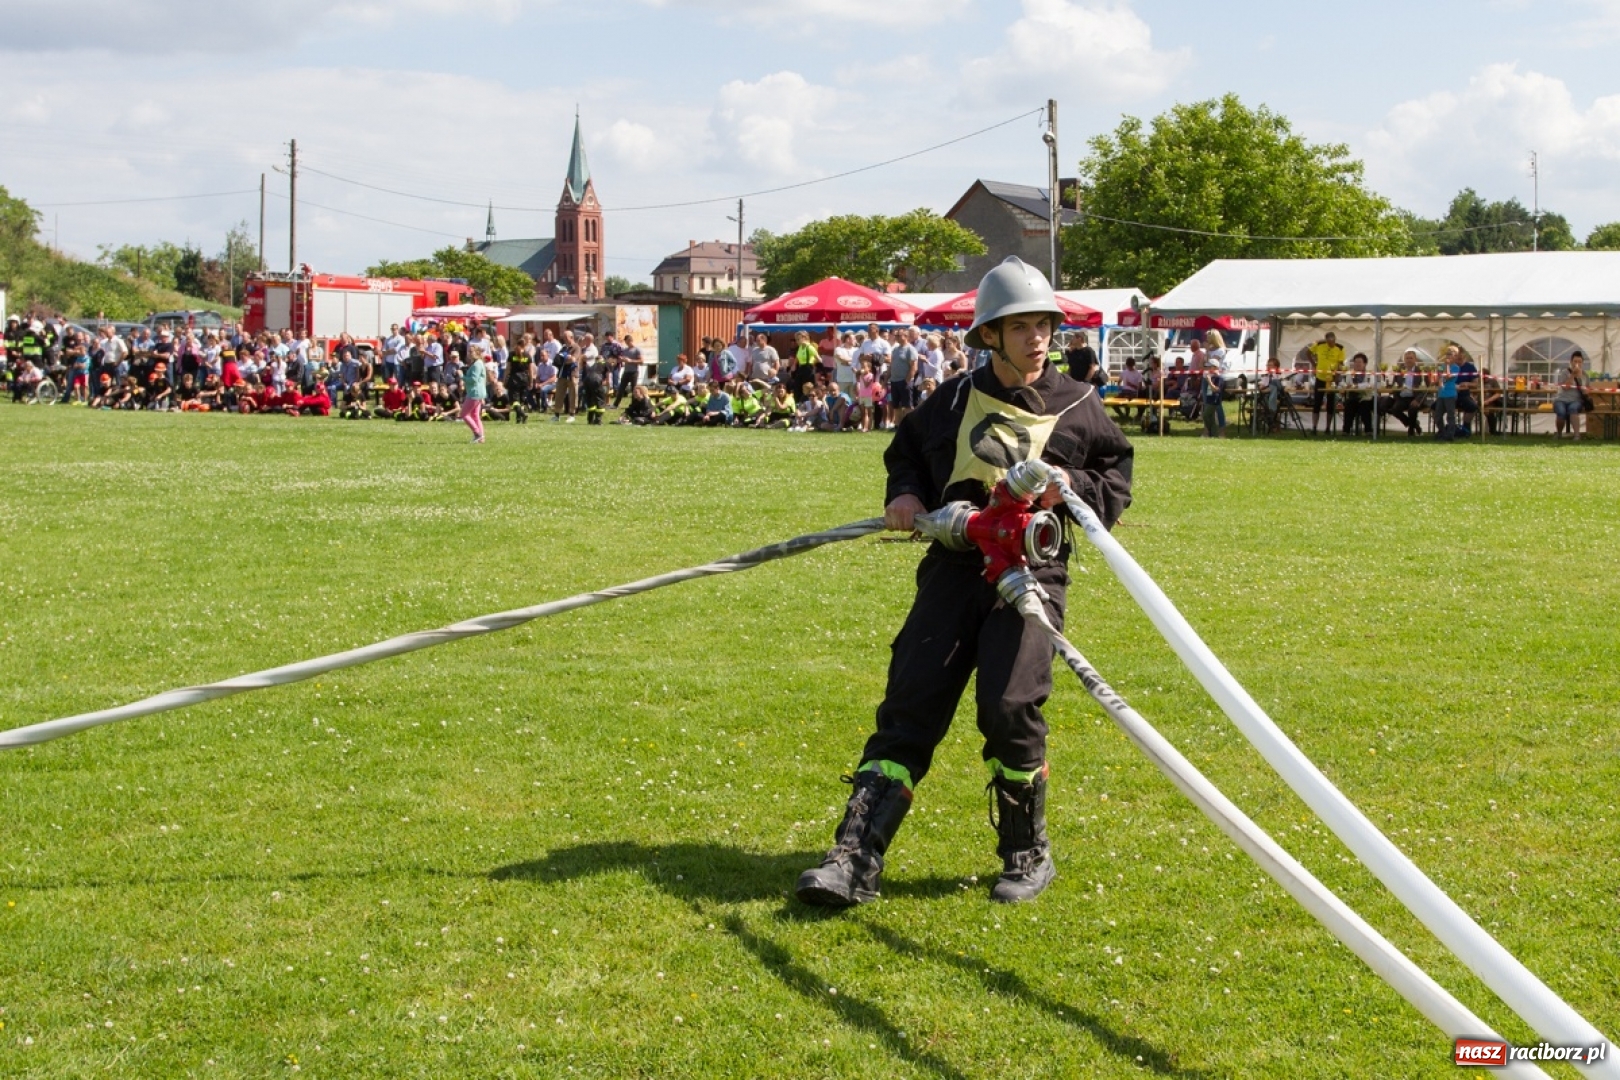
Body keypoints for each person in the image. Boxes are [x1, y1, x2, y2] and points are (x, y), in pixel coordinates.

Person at [795, 257, 1134, 909]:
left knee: (1009, 706)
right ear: (990, 335)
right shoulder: (951, 398)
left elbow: (1115, 474)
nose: (1037, 338)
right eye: (1021, 327)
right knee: (910, 703)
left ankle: (1025, 853)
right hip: (953, 572)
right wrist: (906, 496)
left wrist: (1067, 494)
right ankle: (854, 858)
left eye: (1044, 326)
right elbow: (907, 453)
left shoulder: (1082, 407)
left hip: (1030, 574)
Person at [1309, 331, 1345, 434]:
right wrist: (1314, 363)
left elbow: (1340, 363)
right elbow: (1308, 352)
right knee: (1317, 403)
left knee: (1330, 404)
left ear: (1335, 340)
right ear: (1326, 340)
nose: (1330, 344)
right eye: (1328, 342)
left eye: (1332, 342)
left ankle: (1328, 428)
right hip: (1320, 377)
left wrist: (1337, 376)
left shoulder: (1340, 348)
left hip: (1332, 379)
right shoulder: (1319, 345)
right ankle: (1314, 427)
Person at [1389, 350, 1425, 436]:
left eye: (1411, 358)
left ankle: (1411, 430)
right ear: (1404, 360)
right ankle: (1414, 424)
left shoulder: (1420, 371)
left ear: (1415, 359)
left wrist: (1418, 400)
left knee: (1413, 409)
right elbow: (1395, 385)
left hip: (1415, 397)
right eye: (1407, 358)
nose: (1409, 360)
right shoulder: (1399, 371)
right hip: (1402, 397)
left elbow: (1425, 388)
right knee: (1394, 409)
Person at [1554, 350, 1587, 440]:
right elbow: (1565, 387)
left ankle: (1577, 435)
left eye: (1579, 362)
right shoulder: (1565, 372)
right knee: (1561, 412)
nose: (1577, 364)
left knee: (1573, 409)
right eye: (1575, 361)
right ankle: (1559, 434)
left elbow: (1587, 389)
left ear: (1582, 363)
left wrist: (1584, 388)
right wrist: (1573, 374)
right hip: (1561, 399)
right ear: (1571, 362)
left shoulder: (1584, 375)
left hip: (1576, 400)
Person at [462, 344, 488, 442]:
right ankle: (482, 438)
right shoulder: (478, 363)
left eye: (471, 351)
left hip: (474, 393)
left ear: (477, 352)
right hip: (478, 392)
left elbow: (473, 380)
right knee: (475, 415)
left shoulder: (477, 364)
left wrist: (462, 377)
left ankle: (477, 434)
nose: (469, 353)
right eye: (469, 351)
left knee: (464, 414)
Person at [1201, 361, 1225, 437]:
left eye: (1209, 367)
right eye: (1207, 367)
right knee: (1208, 414)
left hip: (1215, 399)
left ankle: (1221, 432)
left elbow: (1216, 389)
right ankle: (1209, 432)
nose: (1207, 369)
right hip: (1209, 393)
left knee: (1217, 410)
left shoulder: (1218, 378)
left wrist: (1209, 381)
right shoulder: (1208, 376)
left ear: (1215, 367)